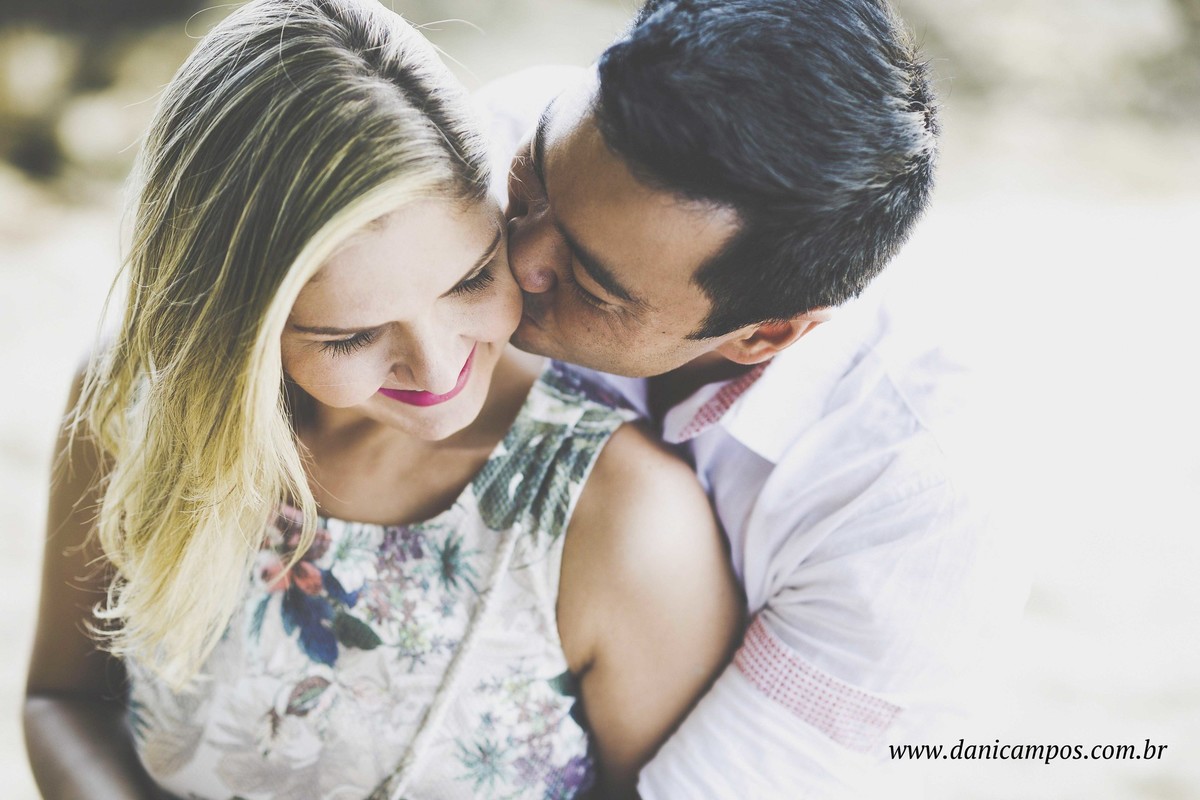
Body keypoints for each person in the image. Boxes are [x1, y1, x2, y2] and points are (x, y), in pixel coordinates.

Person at [23, 2, 742, 799]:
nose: (437, 368)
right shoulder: (131, 411)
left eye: (470, 279)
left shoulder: (621, 525)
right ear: (234, 328)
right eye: (350, 336)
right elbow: (65, 699)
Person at [476, 0, 1015, 795]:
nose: (515, 256)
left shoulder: (912, 497)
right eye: (532, 182)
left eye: (590, 285)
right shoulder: (501, 131)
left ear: (765, 337)